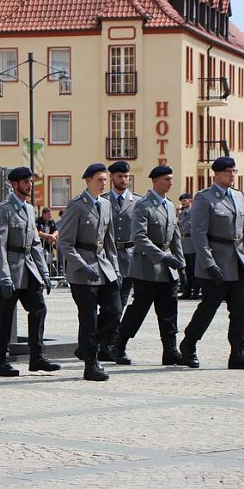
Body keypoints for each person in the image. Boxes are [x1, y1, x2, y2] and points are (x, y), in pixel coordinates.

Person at [178, 157, 244, 370]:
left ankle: (238, 353)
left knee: (242, 310)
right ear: (216, 174)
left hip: (239, 261)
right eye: (228, 172)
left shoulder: (238, 196)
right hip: (217, 262)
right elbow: (199, 234)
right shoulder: (205, 198)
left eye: (234, 171)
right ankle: (189, 345)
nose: (232, 175)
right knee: (208, 308)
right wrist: (208, 263)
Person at [0, 167, 59, 377]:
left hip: (29, 269)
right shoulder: (5, 209)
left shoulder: (29, 209)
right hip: (11, 270)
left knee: (39, 309)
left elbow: (35, 244)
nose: (29, 185)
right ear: (14, 184)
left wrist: (44, 273)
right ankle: (0, 362)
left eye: (30, 181)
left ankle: (36, 357)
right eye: (25, 182)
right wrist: (4, 275)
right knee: (5, 316)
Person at [113, 165, 185, 366]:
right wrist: (162, 257)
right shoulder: (143, 205)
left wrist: (182, 265)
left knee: (169, 311)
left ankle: (170, 350)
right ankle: (119, 345)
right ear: (154, 181)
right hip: (147, 267)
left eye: (171, 178)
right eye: (166, 179)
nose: (170, 182)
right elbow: (140, 237)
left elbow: (175, 237)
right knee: (138, 310)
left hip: (168, 269)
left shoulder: (169, 205)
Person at [58, 163, 122, 381]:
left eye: (105, 180)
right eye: (99, 180)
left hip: (103, 266)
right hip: (82, 270)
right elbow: (65, 244)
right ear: (87, 181)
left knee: (114, 311)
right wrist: (81, 265)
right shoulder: (76, 206)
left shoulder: (106, 205)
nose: (103, 183)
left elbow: (109, 240)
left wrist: (115, 268)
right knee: (88, 318)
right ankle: (91, 363)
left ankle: (87, 347)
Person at [102, 161, 140, 315]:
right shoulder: (103, 201)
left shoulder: (137, 202)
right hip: (108, 257)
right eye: (120, 176)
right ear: (112, 177)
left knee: (122, 301)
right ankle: (108, 336)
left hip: (128, 258)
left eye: (126, 176)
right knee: (109, 303)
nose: (124, 180)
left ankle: (113, 338)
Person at [177, 192, 199, 300]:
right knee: (186, 270)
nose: (183, 203)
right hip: (184, 243)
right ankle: (186, 291)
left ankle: (195, 291)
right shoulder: (181, 214)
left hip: (193, 243)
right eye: (182, 201)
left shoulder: (195, 212)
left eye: (185, 201)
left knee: (194, 270)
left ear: (190, 200)